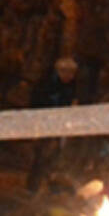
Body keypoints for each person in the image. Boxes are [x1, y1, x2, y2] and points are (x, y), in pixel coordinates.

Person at [26, 56, 80, 192]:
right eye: (68, 73)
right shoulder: (46, 84)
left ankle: (50, 184)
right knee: (41, 154)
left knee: (54, 154)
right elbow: (37, 103)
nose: (70, 76)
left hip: (59, 124)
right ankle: (33, 185)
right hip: (44, 122)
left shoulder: (71, 86)